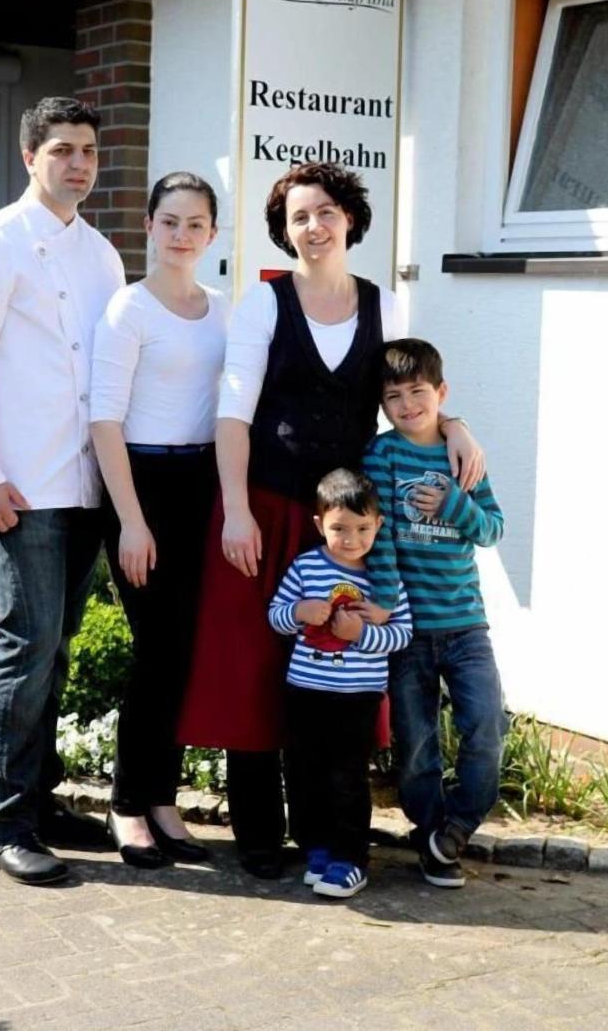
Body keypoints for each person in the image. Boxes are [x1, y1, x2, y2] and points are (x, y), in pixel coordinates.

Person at [178, 161, 485, 879]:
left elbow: (408, 399)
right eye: (298, 218)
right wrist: (234, 513)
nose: (313, 227)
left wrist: (456, 424)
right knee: (255, 668)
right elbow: (234, 415)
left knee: (336, 670)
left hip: (345, 529)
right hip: (263, 509)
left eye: (324, 213)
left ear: (349, 219)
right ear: (285, 233)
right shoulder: (264, 305)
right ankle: (259, 834)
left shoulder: (387, 307)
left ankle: (327, 832)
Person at [0, 97, 125, 885]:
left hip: (84, 485)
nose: (78, 164)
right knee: (27, 644)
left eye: (88, 151)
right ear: (29, 157)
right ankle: (4, 824)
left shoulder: (102, 256)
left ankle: (39, 801)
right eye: (62, 150)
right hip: (19, 487)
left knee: (58, 648)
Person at [90, 172, 227, 869]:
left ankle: (162, 799)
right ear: (149, 226)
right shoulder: (129, 309)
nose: (182, 234)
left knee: (184, 651)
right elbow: (104, 421)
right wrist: (132, 523)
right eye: (170, 221)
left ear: (212, 234)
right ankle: (126, 804)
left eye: (195, 223)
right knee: (155, 650)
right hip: (140, 485)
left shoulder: (223, 310)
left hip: (203, 484)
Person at [362, 338, 507, 889]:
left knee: (487, 727)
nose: (407, 405)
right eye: (393, 396)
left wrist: (453, 503)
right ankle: (431, 838)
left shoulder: (462, 455)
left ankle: (459, 826)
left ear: (441, 392)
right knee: (417, 744)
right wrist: (385, 598)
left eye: (417, 392)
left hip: (466, 624)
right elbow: (381, 536)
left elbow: (492, 530)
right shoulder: (382, 456)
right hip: (409, 630)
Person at [268, 468, 412, 899]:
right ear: (319, 525)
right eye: (340, 529)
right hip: (305, 691)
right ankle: (317, 848)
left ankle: (350, 859)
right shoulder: (306, 567)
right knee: (304, 772)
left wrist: (361, 634)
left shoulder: (385, 579)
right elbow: (275, 616)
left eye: (363, 528)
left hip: (357, 697)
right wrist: (298, 612)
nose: (351, 539)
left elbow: (402, 634)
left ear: (378, 525)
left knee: (347, 776)